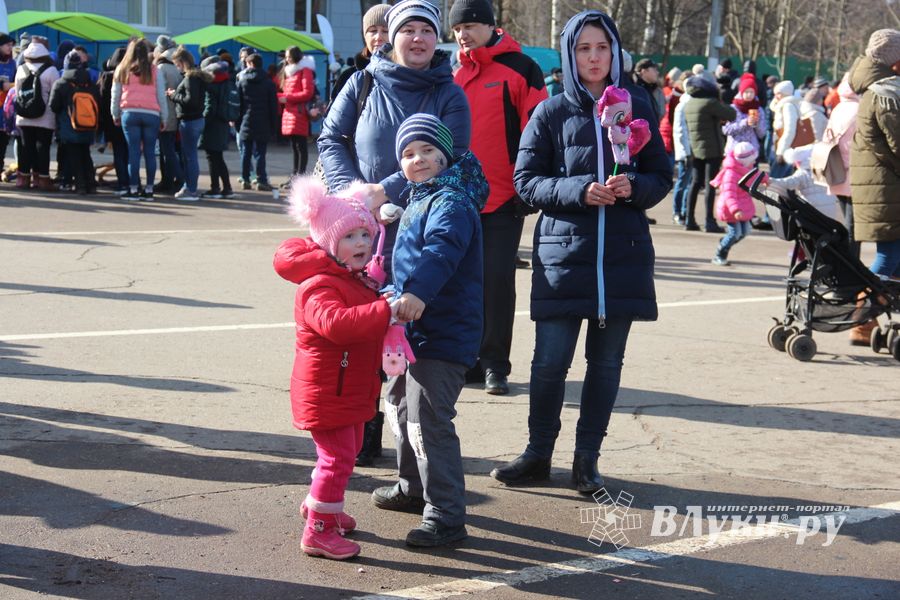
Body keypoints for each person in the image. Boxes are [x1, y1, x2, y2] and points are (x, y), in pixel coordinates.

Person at [494, 9, 671, 495]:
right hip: (562, 256)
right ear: (570, 55)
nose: (594, 58)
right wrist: (579, 190)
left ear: (615, 53)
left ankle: (586, 460)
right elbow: (526, 183)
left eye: (602, 48)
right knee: (549, 364)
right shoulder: (551, 111)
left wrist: (632, 185)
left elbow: (661, 174)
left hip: (623, 255)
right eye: (583, 49)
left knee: (607, 364)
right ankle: (537, 454)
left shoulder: (636, 103)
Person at [318, 0, 471, 466]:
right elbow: (330, 139)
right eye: (409, 30)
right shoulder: (363, 80)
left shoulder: (450, 93)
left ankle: (413, 453)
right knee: (359, 327)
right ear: (391, 35)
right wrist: (355, 195)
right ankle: (362, 430)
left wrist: (387, 192)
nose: (419, 39)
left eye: (428, 30)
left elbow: (454, 153)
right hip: (359, 226)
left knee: (407, 331)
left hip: (419, 224)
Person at [371, 113, 488, 547]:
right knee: (399, 409)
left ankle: (446, 514)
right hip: (409, 332)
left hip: (443, 333)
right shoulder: (419, 198)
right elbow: (402, 263)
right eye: (407, 153)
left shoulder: (451, 201)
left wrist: (416, 293)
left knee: (428, 419)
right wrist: (385, 290)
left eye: (426, 151)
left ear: (445, 156)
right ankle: (412, 487)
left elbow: (441, 251)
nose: (416, 159)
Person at [273, 179, 394, 561]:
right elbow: (337, 325)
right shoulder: (319, 284)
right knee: (337, 457)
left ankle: (322, 505)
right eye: (350, 237)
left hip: (346, 388)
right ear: (328, 242)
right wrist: (385, 309)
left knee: (346, 451)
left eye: (365, 234)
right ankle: (319, 531)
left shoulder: (348, 276)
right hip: (329, 392)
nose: (361, 243)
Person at [451, 0, 547, 396]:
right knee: (461, 283)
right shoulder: (453, 74)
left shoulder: (521, 69)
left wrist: (530, 186)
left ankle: (495, 364)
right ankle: (468, 359)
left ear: (493, 27)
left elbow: (538, 133)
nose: (464, 34)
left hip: (504, 199)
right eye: (458, 28)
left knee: (496, 282)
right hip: (456, 198)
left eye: (472, 25)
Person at [847, 29, 900, 332]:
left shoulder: (876, 90)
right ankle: (861, 320)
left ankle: (868, 321)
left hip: (883, 188)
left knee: (895, 258)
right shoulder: (887, 94)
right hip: (887, 189)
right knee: (889, 255)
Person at [111, 38, 168, 201]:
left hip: (130, 112)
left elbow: (115, 95)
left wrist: (115, 114)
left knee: (133, 152)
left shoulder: (122, 69)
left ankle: (134, 189)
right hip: (152, 114)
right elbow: (161, 96)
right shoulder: (154, 70)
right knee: (150, 153)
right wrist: (164, 117)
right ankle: (149, 189)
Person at [683, 74, 736, 232]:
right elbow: (731, 114)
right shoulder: (709, 103)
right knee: (710, 185)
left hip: (695, 148)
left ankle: (689, 219)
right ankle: (709, 221)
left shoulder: (690, 103)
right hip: (711, 150)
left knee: (695, 183)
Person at [48, 50, 101, 195]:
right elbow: (98, 102)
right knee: (86, 154)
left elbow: (53, 106)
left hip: (69, 126)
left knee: (74, 156)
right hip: (88, 125)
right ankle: (91, 185)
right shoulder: (90, 83)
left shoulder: (61, 83)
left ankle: (80, 185)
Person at [822, 73, 860, 259]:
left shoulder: (838, 108)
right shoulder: (860, 109)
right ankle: (851, 269)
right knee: (854, 228)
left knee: (846, 223)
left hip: (836, 171)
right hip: (854, 173)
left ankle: (845, 266)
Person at [14, 41, 59, 191]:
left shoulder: (21, 69)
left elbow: (16, 91)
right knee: (43, 147)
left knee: (26, 147)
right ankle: (42, 180)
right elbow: (55, 92)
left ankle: (23, 179)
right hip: (45, 116)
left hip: (24, 114)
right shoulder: (51, 70)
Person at [169, 46, 210, 202]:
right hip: (195, 120)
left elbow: (189, 101)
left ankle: (191, 190)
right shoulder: (196, 76)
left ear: (182, 62)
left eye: (177, 64)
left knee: (190, 157)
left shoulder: (190, 78)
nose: (176, 67)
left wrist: (174, 96)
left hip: (190, 120)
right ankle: (188, 187)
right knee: (189, 156)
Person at [710, 142, 761, 266]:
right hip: (731, 209)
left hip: (742, 207)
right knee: (735, 233)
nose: (754, 163)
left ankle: (725, 242)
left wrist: (767, 180)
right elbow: (729, 194)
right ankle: (720, 254)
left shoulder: (745, 169)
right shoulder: (731, 174)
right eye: (752, 160)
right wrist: (735, 210)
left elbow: (757, 176)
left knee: (745, 232)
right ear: (744, 161)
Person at [330, 4, 390, 103]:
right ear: (365, 36)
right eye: (373, 31)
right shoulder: (349, 76)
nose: (378, 37)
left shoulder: (408, 75)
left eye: (385, 31)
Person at [237, 53, 278, 191]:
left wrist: (238, 123)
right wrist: (274, 126)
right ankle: (261, 180)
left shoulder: (242, 82)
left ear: (250, 64)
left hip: (246, 120)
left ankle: (245, 179)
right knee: (261, 153)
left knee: (246, 152)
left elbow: (239, 105)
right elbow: (273, 106)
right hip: (263, 121)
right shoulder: (269, 83)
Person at [198, 56, 234, 199]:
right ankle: (227, 188)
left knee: (212, 157)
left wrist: (203, 123)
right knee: (218, 157)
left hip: (212, 125)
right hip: (223, 123)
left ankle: (215, 188)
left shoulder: (211, 84)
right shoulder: (226, 81)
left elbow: (209, 107)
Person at [279, 46, 316, 180]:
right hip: (290, 111)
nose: (286, 58)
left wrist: (287, 98)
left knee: (300, 145)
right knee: (295, 145)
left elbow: (308, 92)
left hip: (299, 112)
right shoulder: (289, 72)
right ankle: (295, 174)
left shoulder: (304, 71)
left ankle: (299, 175)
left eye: (289, 56)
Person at [154, 36, 184, 195]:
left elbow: (159, 93)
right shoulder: (177, 63)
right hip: (178, 112)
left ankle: (178, 179)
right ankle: (168, 180)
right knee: (173, 148)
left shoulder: (161, 67)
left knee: (167, 149)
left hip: (166, 112)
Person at [97, 48, 128, 195]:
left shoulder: (106, 76)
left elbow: (102, 100)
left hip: (112, 120)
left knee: (119, 151)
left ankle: (123, 182)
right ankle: (133, 181)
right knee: (130, 152)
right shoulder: (131, 74)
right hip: (129, 116)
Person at [723, 73, 767, 155]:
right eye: (746, 92)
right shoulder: (733, 108)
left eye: (752, 92)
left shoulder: (759, 109)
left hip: (751, 151)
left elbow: (762, 134)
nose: (749, 95)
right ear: (741, 92)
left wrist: (757, 124)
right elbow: (726, 130)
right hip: (734, 150)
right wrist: (745, 122)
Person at [672, 72, 693, 225]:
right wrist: (684, 152)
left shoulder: (693, 103)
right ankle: (677, 211)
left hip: (694, 150)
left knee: (690, 183)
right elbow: (679, 131)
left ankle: (685, 211)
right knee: (682, 181)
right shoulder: (682, 106)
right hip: (686, 151)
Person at [769, 79, 800, 178]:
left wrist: (781, 152)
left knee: (778, 181)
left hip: (785, 148)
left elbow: (790, 130)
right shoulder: (782, 105)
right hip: (780, 145)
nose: (775, 96)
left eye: (778, 93)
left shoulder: (788, 106)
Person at [0, 33, 16, 175]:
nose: (10, 48)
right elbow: (3, 86)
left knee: (4, 140)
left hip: (6, 108)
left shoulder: (12, 63)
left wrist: (9, 85)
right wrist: (14, 84)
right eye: (7, 45)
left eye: (12, 45)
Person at [633, 57, 665, 122]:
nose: (657, 72)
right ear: (644, 71)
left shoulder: (655, 89)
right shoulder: (635, 91)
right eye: (654, 70)